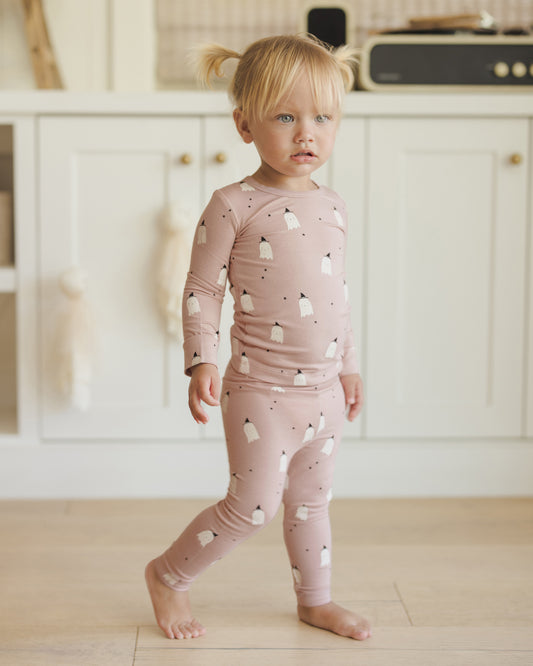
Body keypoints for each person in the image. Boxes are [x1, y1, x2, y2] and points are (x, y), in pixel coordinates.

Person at [145, 33, 371, 642]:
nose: (307, 134)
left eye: (323, 118)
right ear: (245, 125)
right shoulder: (233, 204)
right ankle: (168, 575)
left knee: (312, 501)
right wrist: (201, 359)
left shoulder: (334, 206)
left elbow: (336, 296)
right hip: (261, 392)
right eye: (286, 117)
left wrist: (350, 365)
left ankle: (315, 600)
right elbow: (202, 287)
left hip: (325, 393)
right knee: (252, 506)